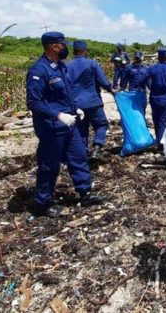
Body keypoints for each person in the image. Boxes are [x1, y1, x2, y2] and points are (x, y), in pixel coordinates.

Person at [25, 32, 107, 217]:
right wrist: (58, 115)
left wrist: (76, 108)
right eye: (63, 45)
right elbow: (33, 102)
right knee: (49, 165)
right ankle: (42, 203)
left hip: (70, 125)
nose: (66, 49)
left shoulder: (61, 67)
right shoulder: (38, 70)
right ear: (54, 47)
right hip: (51, 128)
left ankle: (85, 192)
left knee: (78, 158)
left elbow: (68, 93)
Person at [67, 40, 113, 161]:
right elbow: (103, 81)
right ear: (85, 51)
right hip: (92, 102)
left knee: (81, 129)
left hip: (76, 104)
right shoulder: (92, 64)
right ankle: (97, 149)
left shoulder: (67, 66)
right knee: (101, 125)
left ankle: (83, 155)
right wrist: (111, 89)